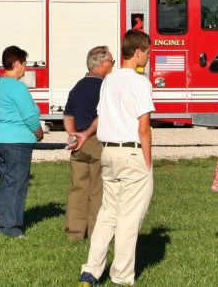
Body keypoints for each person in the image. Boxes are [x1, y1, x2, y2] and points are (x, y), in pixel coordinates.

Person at [79, 30, 155, 287]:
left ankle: (90, 271)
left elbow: (101, 115)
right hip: (132, 151)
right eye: (147, 52)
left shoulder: (108, 81)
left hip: (108, 152)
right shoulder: (140, 83)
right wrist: (148, 161)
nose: (147, 56)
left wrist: (85, 134)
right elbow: (144, 125)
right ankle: (121, 276)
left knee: (107, 214)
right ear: (137, 52)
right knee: (128, 219)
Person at [0, 45, 42, 239]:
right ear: (16, 63)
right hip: (17, 142)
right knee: (17, 185)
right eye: (24, 64)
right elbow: (29, 116)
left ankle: (4, 224)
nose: (25, 69)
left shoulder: (0, 84)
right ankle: (11, 228)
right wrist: (38, 133)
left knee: (7, 183)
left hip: (0, 139)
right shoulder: (16, 86)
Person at [64, 45, 113, 241]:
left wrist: (73, 134)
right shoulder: (105, 87)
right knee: (97, 190)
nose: (112, 67)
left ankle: (74, 232)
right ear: (102, 64)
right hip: (95, 141)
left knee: (78, 188)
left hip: (78, 144)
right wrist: (87, 133)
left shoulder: (77, 87)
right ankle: (95, 233)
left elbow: (68, 115)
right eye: (111, 62)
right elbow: (102, 115)